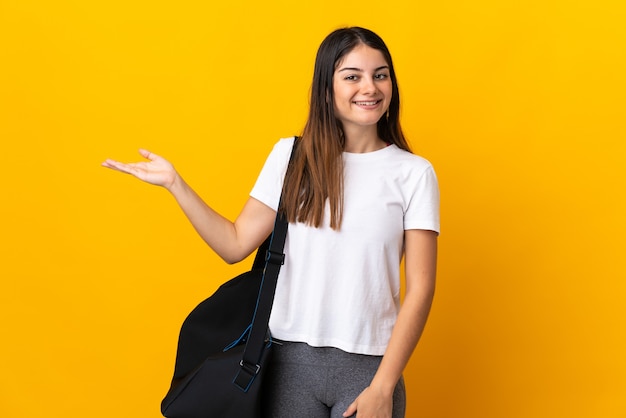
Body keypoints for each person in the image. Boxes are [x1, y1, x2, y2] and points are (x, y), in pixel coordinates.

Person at [103, 26, 439, 418]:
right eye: (353, 76)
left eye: (381, 74)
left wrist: (383, 386)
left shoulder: (414, 173)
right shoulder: (291, 157)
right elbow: (234, 244)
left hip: (368, 368)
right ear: (326, 87)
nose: (370, 87)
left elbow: (421, 287)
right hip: (286, 365)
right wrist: (177, 184)